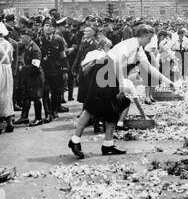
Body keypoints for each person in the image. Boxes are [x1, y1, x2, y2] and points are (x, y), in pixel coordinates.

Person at [68, 25, 175, 159]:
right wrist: (121, 85)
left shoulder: (138, 48)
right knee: (92, 107)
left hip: (111, 73)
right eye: (149, 38)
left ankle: (108, 144)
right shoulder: (130, 44)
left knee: (116, 106)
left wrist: (168, 82)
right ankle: (74, 141)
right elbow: (117, 63)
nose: (150, 41)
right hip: (105, 71)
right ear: (143, 35)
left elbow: (148, 68)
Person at [38, 17, 69, 122]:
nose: (48, 28)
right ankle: (48, 114)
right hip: (43, 70)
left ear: (54, 28)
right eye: (46, 26)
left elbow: (63, 55)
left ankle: (54, 110)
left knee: (56, 91)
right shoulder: (39, 39)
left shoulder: (58, 39)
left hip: (56, 69)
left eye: (51, 26)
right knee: (45, 91)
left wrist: (65, 70)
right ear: (42, 27)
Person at [14, 29, 44, 126]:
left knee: (36, 98)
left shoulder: (35, 49)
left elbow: (35, 66)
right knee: (26, 96)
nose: (21, 39)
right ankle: (24, 117)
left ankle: (38, 118)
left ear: (29, 37)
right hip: (29, 77)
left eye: (23, 37)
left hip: (36, 77)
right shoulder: (28, 47)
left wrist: (22, 68)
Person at [0, 22, 14, 133]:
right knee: (7, 95)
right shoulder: (9, 45)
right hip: (7, 71)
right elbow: (11, 59)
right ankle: (10, 122)